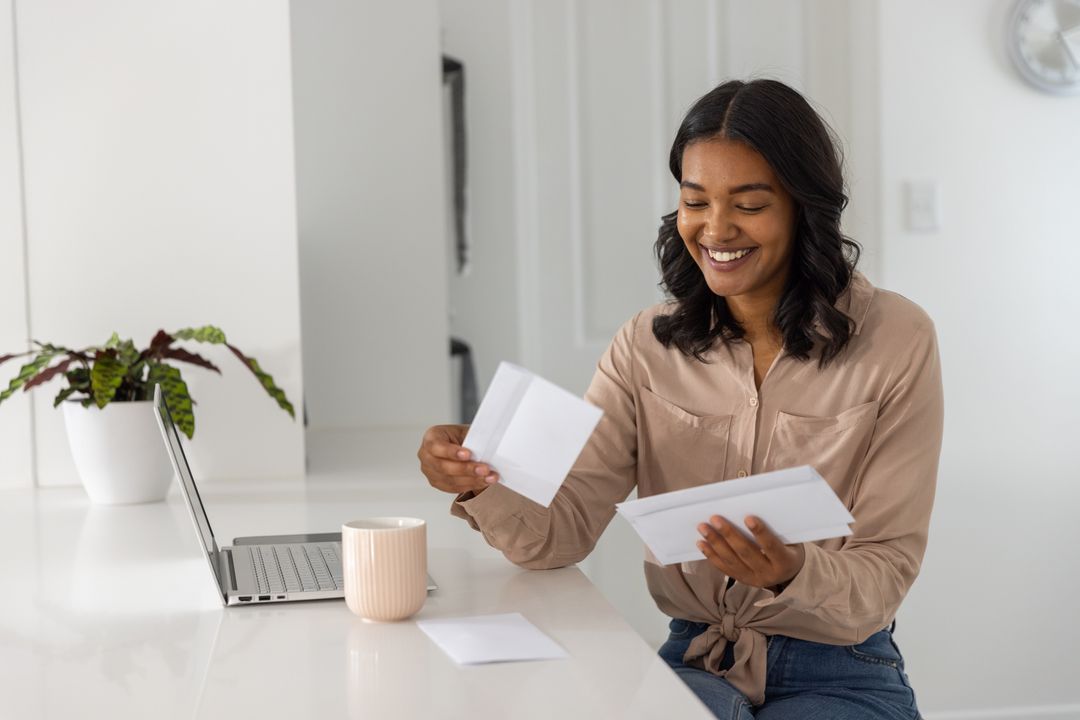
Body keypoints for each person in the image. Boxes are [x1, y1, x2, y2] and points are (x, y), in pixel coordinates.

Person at [417, 78, 942, 720]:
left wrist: (790, 571)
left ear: (804, 208)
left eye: (748, 204)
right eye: (696, 201)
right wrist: (477, 478)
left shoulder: (896, 339)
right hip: (696, 660)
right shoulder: (645, 346)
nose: (715, 228)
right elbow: (560, 533)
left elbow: (885, 570)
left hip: (843, 670)